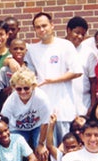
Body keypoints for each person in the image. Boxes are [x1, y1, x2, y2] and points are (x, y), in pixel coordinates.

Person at [24, 12, 83, 145]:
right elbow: (15, 56)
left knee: (65, 150)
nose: (42, 29)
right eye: (38, 27)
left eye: (44, 25)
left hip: (64, 109)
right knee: (44, 153)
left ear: (52, 25)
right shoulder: (32, 49)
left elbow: (77, 71)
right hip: (42, 112)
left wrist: (52, 80)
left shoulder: (65, 45)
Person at [0, 68, 50, 157]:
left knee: (42, 152)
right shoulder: (10, 101)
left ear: (33, 86)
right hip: (17, 128)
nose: (23, 92)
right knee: (16, 152)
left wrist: (41, 144)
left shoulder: (41, 98)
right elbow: (3, 121)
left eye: (26, 88)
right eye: (19, 89)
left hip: (37, 126)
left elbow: (45, 123)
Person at [64, 16, 90, 115]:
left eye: (83, 34)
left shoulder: (88, 53)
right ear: (68, 30)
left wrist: (92, 105)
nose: (80, 36)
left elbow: (93, 81)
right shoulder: (58, 48)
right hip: (63, 104)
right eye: (77, 32)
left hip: (83, 105)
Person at [0, 38, 28, 112]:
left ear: (26, 51)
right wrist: (13, 86)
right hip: (10, 109)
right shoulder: (4, 70)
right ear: (10, 51)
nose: (18, 51)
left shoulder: (30, 69)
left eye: (21, 49)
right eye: (15, 49)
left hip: (28, 108)